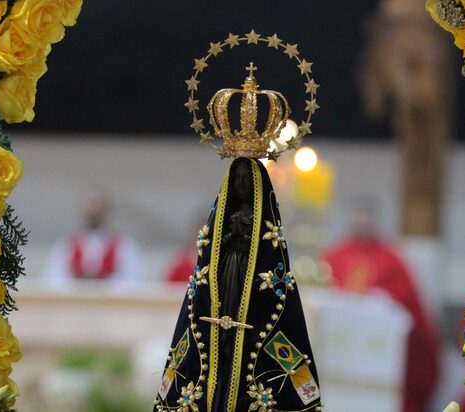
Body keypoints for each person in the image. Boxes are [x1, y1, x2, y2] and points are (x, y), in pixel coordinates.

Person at [154, 158, 321, 412]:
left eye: (246, 178)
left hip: (253, 277)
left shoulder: (262, 226)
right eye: (238, 179)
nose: (242, 183)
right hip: (229, 269)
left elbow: (280, 320)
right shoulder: (227, 216)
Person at [322, 197, 440, 412]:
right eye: (358, 216)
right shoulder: (335, 254)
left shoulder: (391, 257)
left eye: (367, 217)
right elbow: (322, 292)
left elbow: (409, 302)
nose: (363, 221)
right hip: (339, 345)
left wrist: (381, 301)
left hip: (379, 351)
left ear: (375, 220)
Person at [46, 191, 140, 282]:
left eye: (97, 204)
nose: (93, 209)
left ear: (107, 210)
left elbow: (133, 281)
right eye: (89, 203)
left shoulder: (124, 247)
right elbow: (52, 280)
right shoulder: (65, 246)